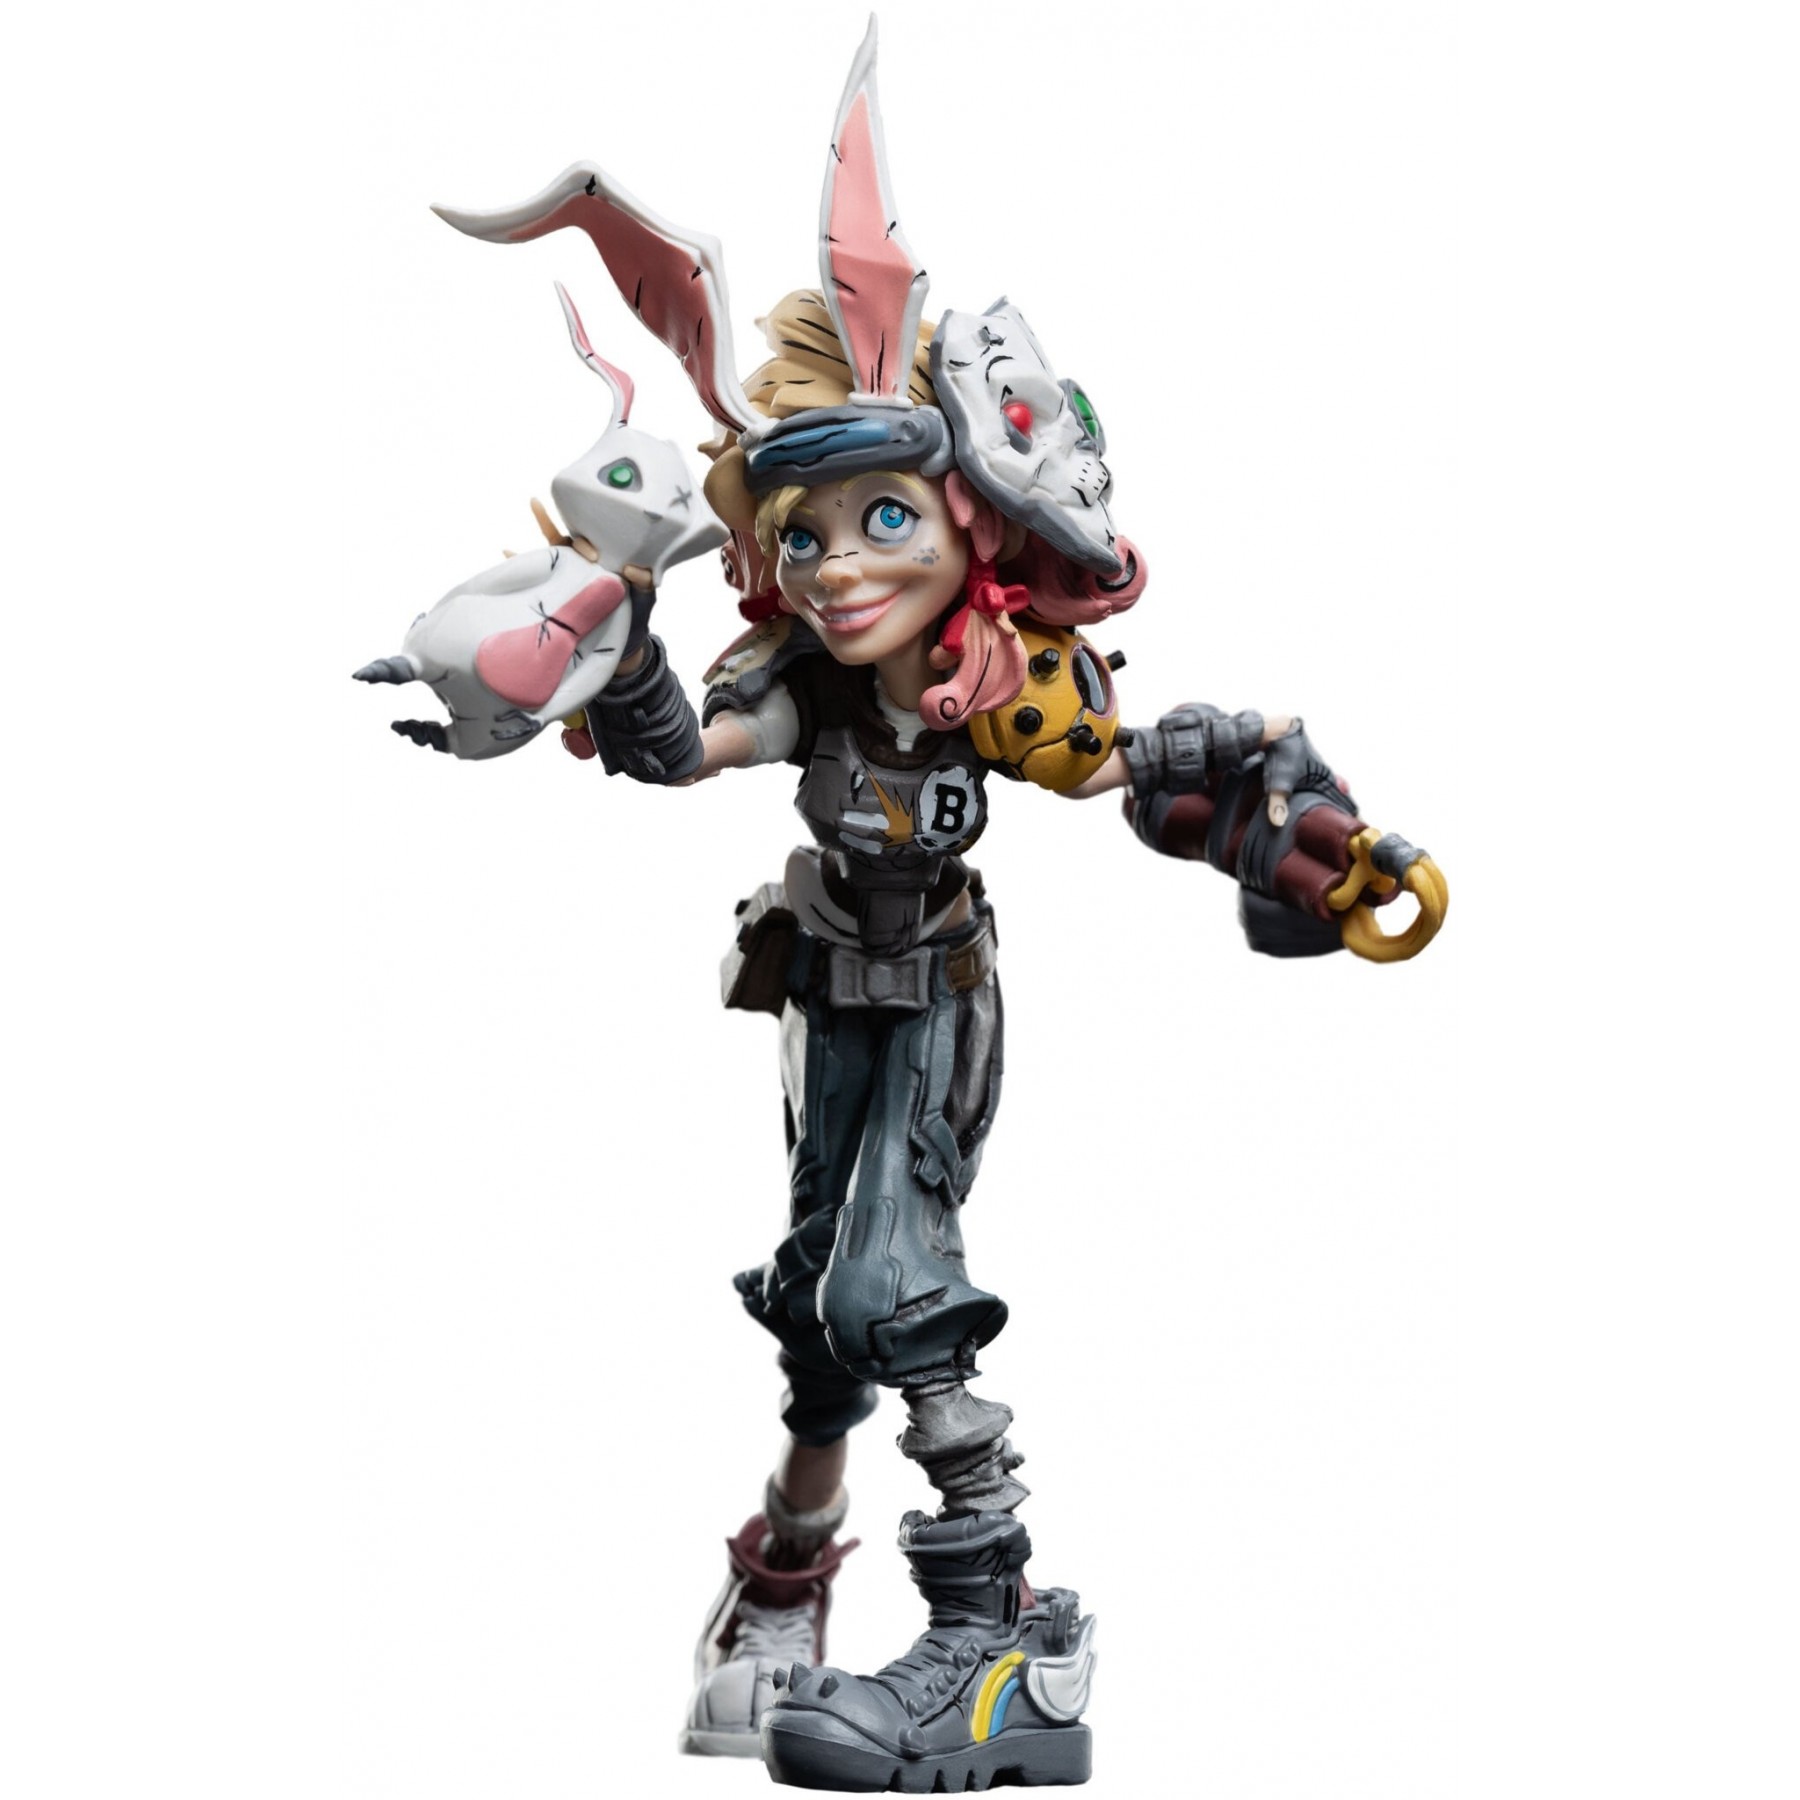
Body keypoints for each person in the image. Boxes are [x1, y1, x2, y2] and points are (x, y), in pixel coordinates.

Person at [428, 20, 1446, 1792]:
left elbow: (1145, 778)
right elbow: (683, 755)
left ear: (971, 517)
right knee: (815, 1303)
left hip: (938, 991)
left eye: (881, 517)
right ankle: (782, 1586)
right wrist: (614, 649)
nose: (837, 567)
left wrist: (1274, 820)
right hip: (824, 988)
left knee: (898, 1283)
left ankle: (1002, 1646)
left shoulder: (1011, 684)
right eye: (804, 535)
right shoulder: (803, 682)